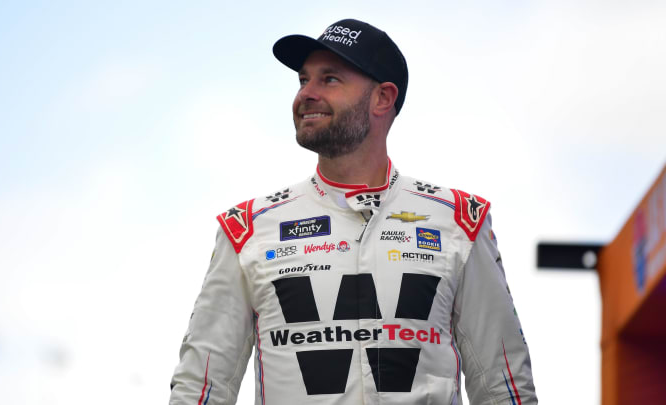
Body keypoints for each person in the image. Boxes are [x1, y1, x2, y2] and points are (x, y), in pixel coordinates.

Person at [169, 18, 537, 405]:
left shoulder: (461, 219)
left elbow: (503, 386)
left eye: (329, 79)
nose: (306, 94)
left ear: (382, 98)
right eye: (302, 80)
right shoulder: (246, 228)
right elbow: (202, 388)